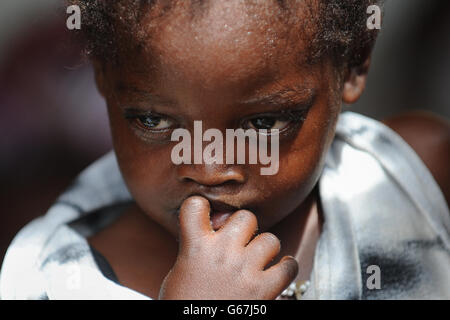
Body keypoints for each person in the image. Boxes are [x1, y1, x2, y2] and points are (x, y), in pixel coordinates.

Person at [1, 0, 449, 300]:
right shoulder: (55, 282)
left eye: (262, 123)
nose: (208, 168)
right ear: (103, 77)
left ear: (353, 66)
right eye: (154, 121)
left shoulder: (410, 177)